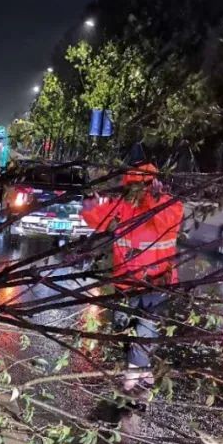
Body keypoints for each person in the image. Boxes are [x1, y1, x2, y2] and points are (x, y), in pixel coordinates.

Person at [81, 163, 184, 393]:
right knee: (123, 329)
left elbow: (168, 222)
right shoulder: (121, 205)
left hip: (156, 284)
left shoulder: (169, 204)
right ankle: (143, 372)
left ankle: (132, 380)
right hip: (125, 283)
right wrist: (89, 207)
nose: (138, 191)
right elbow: (99, 220)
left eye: (142, 185)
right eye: (134, 186)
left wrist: (157, 200)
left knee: (145, 331)